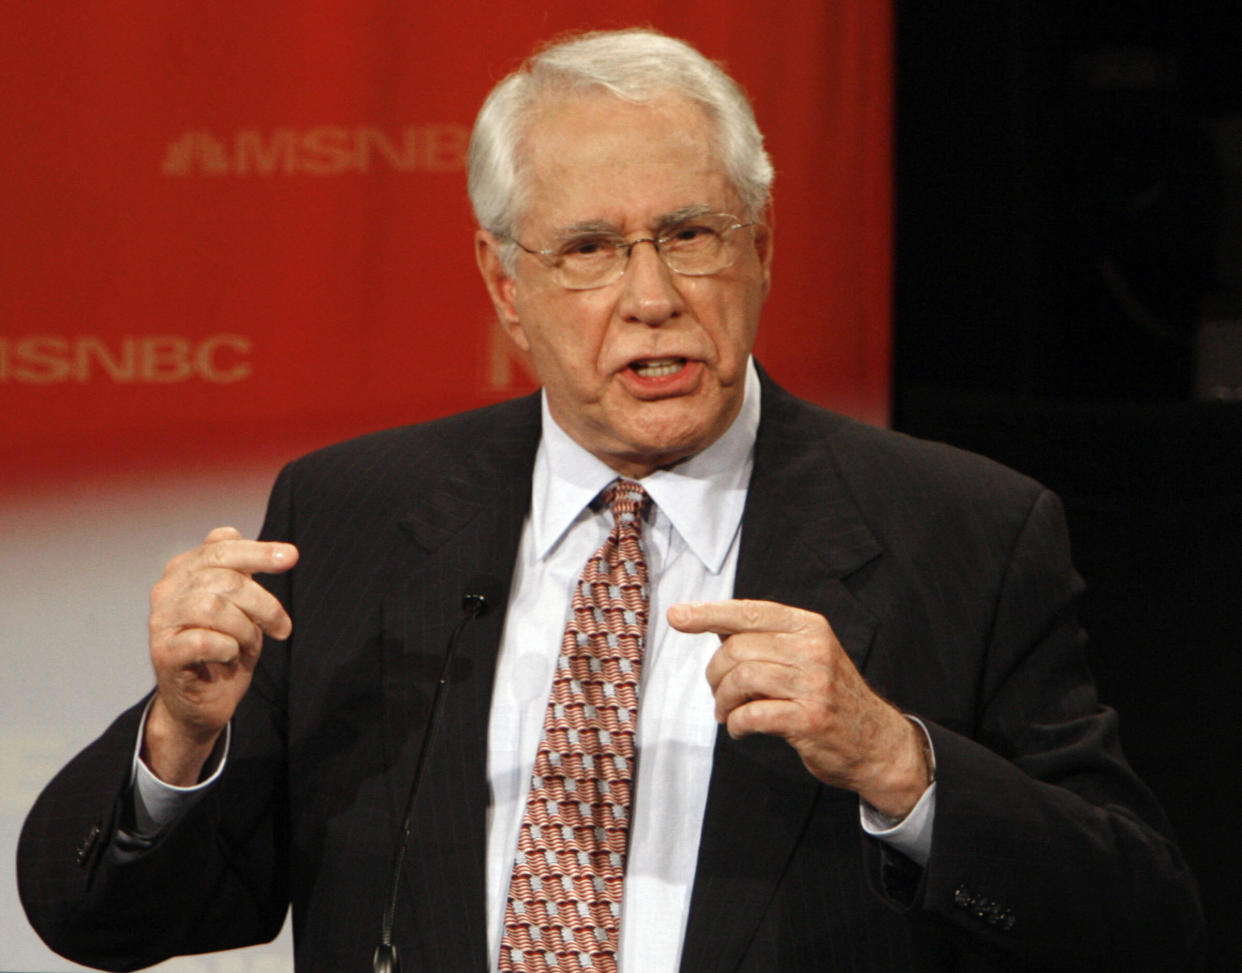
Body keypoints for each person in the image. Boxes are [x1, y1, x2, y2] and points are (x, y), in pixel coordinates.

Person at [19, 27, 1203, 973]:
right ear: (504, 281)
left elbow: (1142, 919)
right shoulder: (354, 515)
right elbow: (99, 920)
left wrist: (898, 761)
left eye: (690, 234)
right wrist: (179, 735)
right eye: (588, 247)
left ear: (762, 248)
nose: (651, 295)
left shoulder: (967, 531)